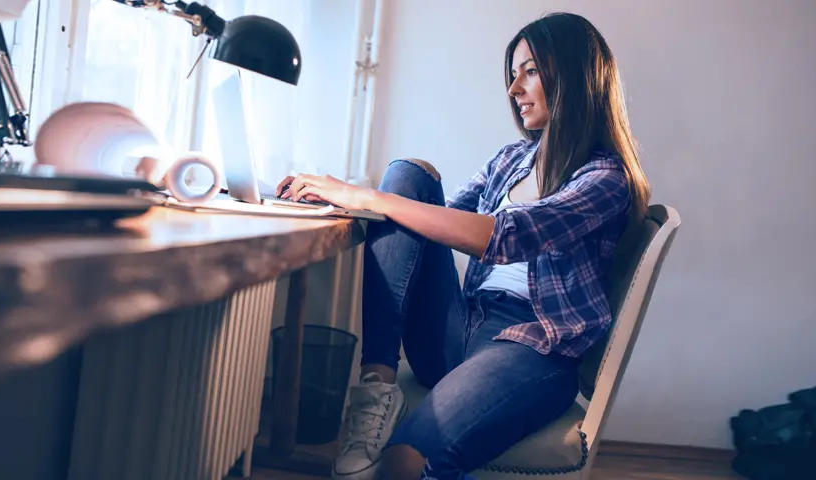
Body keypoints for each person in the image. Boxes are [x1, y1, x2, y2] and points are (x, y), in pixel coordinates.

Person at [275, 11, 650, 480]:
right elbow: (428, 217)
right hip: (460, 326)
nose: (514, 90)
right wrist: (331, 196)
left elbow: (506, 238)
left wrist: (367, 196)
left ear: (575, 75)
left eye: (530, 71)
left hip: (532, 349)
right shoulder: (514, 158)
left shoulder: (605, 179)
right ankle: (376, 389)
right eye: (513, 75)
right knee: (409, 176)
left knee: (405, 463)